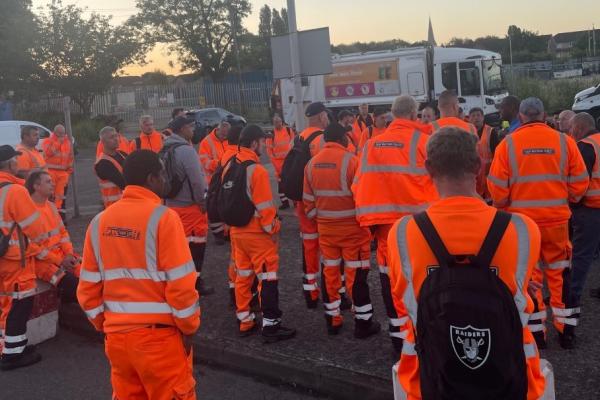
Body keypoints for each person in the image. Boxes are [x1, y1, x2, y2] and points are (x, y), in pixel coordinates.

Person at [387, 127, 546, 400]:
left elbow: (403, 304)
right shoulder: (523, 229)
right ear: (478, 165)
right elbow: (530, 295)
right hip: (511, 376)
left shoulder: (401, 233)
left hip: (429, 380)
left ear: (429, 168)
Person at [77, 150, 200, 399]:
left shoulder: (99, 222)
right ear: (151, 178)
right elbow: (181, 286)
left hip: (117, 341)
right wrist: (189, 328)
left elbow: (87, 290)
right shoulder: (165, 218)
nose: (166, 179)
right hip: (159, 342)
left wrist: (106, 325)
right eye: (162, 173)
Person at [488, 97, 589, 350]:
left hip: (523, 226)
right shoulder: (565, 142)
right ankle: (566, 332)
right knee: (560, 275)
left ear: (521, 117)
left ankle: (536, 335)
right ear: (544, 116)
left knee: (529, 277)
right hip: (556, 222)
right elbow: (579, 186)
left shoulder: (507, 145)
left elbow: (498, 193)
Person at [352, 95, 437, 353]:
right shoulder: (425, 142)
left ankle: (401, 345)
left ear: (391, 115)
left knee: (392, 285)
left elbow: (358, 185)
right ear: (414, 115)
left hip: (387, 232)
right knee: (423, 284)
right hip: (421, 230)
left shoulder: (371, 145)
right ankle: (425, 340)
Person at [303, 122, 381, 338]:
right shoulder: (352, 162)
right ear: (340, 138)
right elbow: (363, 200)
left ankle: (333, 319)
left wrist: (323, 220)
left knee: (330, 274)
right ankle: (362, 323)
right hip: (353, 232)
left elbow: (308, 204)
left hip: (326, 232)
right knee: (356, 276)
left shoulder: (311, 165)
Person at [229, 125, 296, 342]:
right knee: (267, 278)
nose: (265, 147)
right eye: (262, 142)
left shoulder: (230, 164)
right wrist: (275, 228)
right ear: (255, 143)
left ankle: (245, 320)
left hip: (237, 232)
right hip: (258, 235)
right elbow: (266, 209)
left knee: (243, 276)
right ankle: (271, 326)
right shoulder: (256, 170)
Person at [0, 145, 47, 370]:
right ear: (10, 164)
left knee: (5, 302)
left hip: (2, 258)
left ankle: (9, 345)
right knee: (20, 302)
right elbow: (35, 228)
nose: (19, 163)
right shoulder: (16, 191)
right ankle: (12, 355)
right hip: (14, 258)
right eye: (16, 160)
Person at [163, 116, 214, 296]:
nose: (193, 130)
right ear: (183, 129)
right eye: (190, 127)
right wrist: (202, 202)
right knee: (196, 248)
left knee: (178, 249)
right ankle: (195, 283)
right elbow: (197, 181)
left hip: (171, 205)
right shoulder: (186, 150)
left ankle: (180, 282)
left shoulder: (165, 148)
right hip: (191, 208)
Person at [24, 171, 79, 302]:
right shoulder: (27, 211)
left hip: (62, 257)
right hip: (42, 266)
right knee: (72, 285)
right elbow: (33, 248)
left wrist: (69, 254)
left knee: (90, 276)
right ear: (36, 186)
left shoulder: (51, 206)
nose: (53, 184)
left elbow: (63, 234)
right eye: (48, 182)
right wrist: (60, 261)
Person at [568, 113, 600, 331]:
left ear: (579, 127)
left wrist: (574, 205)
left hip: (591, 210)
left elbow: (579, 181)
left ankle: (572, 302)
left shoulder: (585, 146)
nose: (570, 133)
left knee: (581, 258)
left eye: (572, 128)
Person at [295, 102, 329, 308]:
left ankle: (310, 290)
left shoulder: (299, 137)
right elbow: (323, 172)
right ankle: (331, 290)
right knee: (326, 246)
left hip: (301, 201)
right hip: (318, 201)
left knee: (308, 244)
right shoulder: (320, 139)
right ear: (321, 116)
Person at [199, 121, 230, 244]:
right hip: (212, 182)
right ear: (217, 129)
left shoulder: (228, 139)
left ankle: (227, 232)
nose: (224, 137)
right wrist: (221, 164)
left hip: (226, 180)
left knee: (227, 206)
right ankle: (218, 234)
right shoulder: (206, 142)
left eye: (226, 136)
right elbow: (204, 162)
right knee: (214, 209)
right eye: (222, 135)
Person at [41, 124, 73, 220]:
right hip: (50, 173)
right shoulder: (48, 141)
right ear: (54, 133)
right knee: (50, 197)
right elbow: (49, 152)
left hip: (63, 174)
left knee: (61, 199)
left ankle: (61, 219)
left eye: (63, 133)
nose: (61, 135)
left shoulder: (67, 142)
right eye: (59, 133)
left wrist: (68, 173)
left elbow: (70, 158)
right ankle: (50, 218)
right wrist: (58, 142)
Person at [469, 107, 500, 203]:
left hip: (488, 178)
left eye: (478, 115)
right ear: (469, 119)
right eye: (473, 116)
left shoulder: (491, 132)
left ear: (483, 117)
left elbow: (497, 154)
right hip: (473, 178)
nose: (476, 118)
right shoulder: (466, 133)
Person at [266, 114, 295, 210]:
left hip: (290, 162)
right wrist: (277, 167)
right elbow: (270, 153)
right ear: (273, 123)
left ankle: (295, 202)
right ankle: (285, 203)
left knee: (293, 183)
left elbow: (294, 146)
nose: (277, 124)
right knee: (281, 186)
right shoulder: (271, 135)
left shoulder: (288, 130)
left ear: (282, 121)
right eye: (275, 122)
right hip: (278, 165)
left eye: (278, 121)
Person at [94, 127, 127, 209]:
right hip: (114, 208)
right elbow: (124, 183)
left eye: (116, 136)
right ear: (103, 142)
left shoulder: (123, 154)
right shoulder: (102, 163)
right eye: (112, 137)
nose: (116, 139)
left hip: (127, 204)